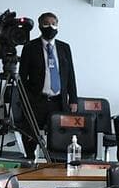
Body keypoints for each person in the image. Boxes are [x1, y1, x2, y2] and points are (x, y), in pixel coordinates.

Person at [17, 12, 77, 156]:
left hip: (58, 102)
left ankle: (54, 163)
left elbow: (70, 75)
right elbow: (22, 77)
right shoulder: (30, 47)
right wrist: (25, 100)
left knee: (59, 138)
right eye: (46, 23)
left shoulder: (64, 48)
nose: (50, 27)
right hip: (37, 101)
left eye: (53, 24)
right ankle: (30, 160)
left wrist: (73, 100)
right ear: (39, 26)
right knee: (30, 135)